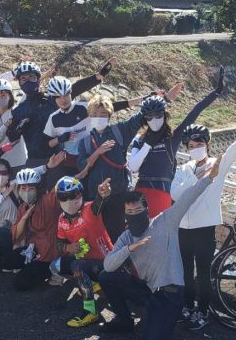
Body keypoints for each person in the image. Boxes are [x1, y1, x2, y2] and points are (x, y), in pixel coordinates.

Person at [98, 159, 222, 340]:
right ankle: (124, 320)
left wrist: (209, 178)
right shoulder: (127, 237)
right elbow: (108, 265)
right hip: (147, 289)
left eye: (138, 211)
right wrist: (129, 248)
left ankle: (167, 319)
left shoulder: (165, 221)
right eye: (129, 212)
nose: (133, 215)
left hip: (170, 294)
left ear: (147, 210)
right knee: (106, 276)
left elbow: (187, 199)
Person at [173, 104, 236, 330]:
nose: (195, 148)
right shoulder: (183, 169)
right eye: (191, 145)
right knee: (184, 270)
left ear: (208, 145)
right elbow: (174, 194)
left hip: (205, 228)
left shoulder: (218, 164)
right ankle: (186, 306)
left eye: (200, 144)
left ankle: (202, 311)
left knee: (203, 273)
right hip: (182, 227)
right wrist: (200, 178)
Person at [76, 84, 183, 240]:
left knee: (119, 235)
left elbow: (140, 117)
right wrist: (97, 153)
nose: (100, 117)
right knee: (97, 236)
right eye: (96, 114)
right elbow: (81, 169)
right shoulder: (84, 142)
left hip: (119, 195)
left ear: (110, 115)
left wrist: (165, 99)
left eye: (104, 114)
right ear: (90, 115)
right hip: (95, 196)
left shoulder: (119, 131)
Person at [128, 68, 224, 218]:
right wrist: (148, 144)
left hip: (163, 194)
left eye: (158, 115)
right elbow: (133, 167)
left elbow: (194, 112)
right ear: (145, 119)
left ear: (165, 115)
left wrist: (216, 92)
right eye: (149, 117)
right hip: (140, 193)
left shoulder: (172, 137)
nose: (154, 120)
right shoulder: (140, 140)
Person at [7, 59, 114, 170]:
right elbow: (11, 137)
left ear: (39, 79)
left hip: (59, 158)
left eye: (31, 77)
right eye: (23, 79)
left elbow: (74, 89)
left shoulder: (52, 98)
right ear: (19, 83)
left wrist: (98, 76)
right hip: (33, 161)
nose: (28, 81)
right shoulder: (18, 110)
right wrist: (18, 129)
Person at [43, 76, 140, 179]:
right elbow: (46, 144)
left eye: (66, 94)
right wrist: (59, 139)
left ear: (71, 92)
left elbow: (112, 106)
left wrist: (141, 100)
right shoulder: (53, 119)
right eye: (58, 96)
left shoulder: (84, 107)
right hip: (71, 161)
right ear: (53, 98)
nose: (63, 99)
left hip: (92, 153)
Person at [52, 176, 113, 328]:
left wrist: (102, 194)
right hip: (86, 263)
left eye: (74, 195)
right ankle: (92, 285)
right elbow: (59, 243)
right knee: (55, 266)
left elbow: (99, 203)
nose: (69, 200)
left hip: (106, 264)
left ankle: (90, 312)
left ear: (81, 194)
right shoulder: (62, 220)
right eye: (63, 197)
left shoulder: (89, 209)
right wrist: (67, 248)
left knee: (77, 267)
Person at [10, 152, 68, 290]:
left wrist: (78, 175)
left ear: (38, 189)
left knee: (19, 284)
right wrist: (24, 218)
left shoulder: (48, 200)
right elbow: (16, 235)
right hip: (33, 249)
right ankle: (32, 267)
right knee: (8, 260)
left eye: (31, 188)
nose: (27, 191)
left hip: (49, 253)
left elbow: (63, 188)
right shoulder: (23, 207)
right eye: (23, 188)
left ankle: (52, 270)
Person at [0, 78, 26, 169]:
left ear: (10, 96)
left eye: (3, 95)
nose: (0, 97)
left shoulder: (16, 112)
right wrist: (5, 126)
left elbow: (26, 97)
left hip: (18, 163)